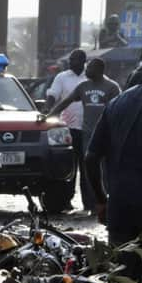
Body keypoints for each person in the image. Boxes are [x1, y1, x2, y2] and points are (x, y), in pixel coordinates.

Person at [86, 44, 142, 245]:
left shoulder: (118, 101)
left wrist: (101, 200)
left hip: (121, 209)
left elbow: (91, 157)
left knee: (122, 273)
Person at [47, 58, 121, 213]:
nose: (86, 71)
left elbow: (119, 109)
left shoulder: (112, 87)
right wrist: (49, 115)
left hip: (107, 134)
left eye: (90, 68)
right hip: (87, 134)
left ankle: (110, 202)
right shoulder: (83, 86)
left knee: (107, 169)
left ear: (99, 69)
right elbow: (65, 102)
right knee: (89, 169)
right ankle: (91, 205)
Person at [45, 49, 87, 210]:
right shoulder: (62, 77)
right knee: (69, 167)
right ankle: (66, 200)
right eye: (70, 59)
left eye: (74, 59)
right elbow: (53, 95)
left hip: (87, 128)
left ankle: (89, 203)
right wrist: (48, 109)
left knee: (87, 167)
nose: (71, 62)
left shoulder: (90, 76)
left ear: (83, 61)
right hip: (66, 128)